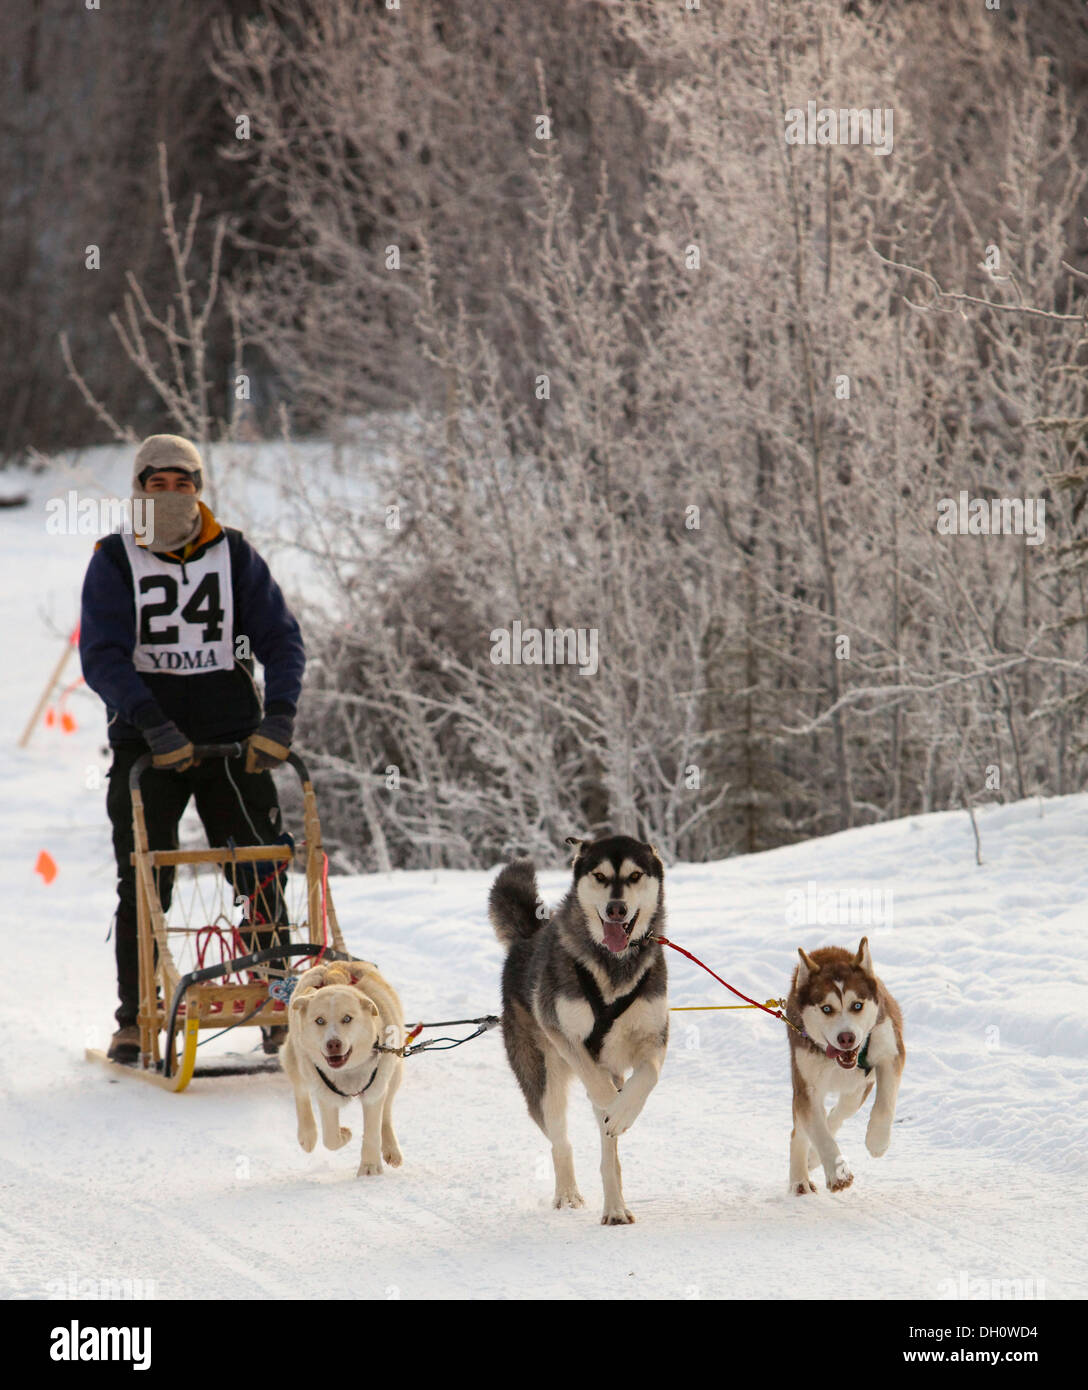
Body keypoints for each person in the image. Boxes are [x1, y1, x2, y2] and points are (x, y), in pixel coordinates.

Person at [79, 435, 306, 1063]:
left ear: (199, 489)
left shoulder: (233, 554)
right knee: (146, 878)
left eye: (186, 484)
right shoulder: (115, 560)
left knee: (260, 869)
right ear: (140, 488)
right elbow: (101, 655)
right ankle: (136, 1016)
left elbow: (281, 639)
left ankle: (279, 996)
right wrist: (151, 720)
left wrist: (280, 716)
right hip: (147, 743)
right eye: (160, 483)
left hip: (235, 738)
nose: (174, 495)